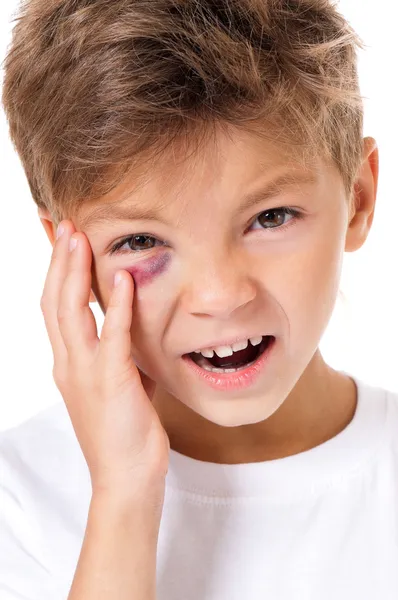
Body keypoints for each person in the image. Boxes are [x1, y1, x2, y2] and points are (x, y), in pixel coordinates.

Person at [1, 0, 397, 598]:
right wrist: (124, 494)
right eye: (140, 240)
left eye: (271, 217)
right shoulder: (20, 499)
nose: (218, 296)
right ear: (68, 256)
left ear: (359, 199)